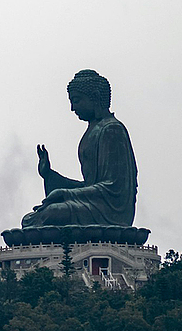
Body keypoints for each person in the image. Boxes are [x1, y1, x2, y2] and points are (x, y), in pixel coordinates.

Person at [22, 69, 137, 228]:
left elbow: (113, 188)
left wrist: (66, 193)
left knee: (51, 214)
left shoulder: (112, 130)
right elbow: (88, 186)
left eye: (76, 101)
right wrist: (50, 175)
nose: (72, 108)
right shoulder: (93, 131)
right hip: (93, 204)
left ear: (95, 97)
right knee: (31, 218)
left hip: (111, 212)